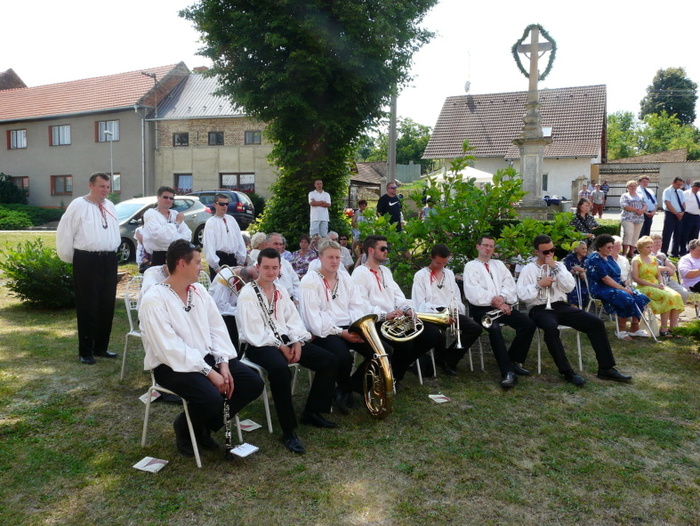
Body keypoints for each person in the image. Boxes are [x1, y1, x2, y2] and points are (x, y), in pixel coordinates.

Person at [139, 240, 264, 458]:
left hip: (206, 358)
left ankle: (203, 425)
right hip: (171, 366)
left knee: (252, 383)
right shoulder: (154, 300)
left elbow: (217, 329)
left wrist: (223, 363)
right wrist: (210, 373)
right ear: (182, 264)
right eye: (197, 262)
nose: (201, 267)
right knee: (211, 397)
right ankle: (185, 428)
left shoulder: (198, 291)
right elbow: (170, 348)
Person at [237, 248, 339, 454]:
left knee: (329, 360)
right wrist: (281, 346)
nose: (270, 272)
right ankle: (289, 430)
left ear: (280, 268)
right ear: (258, 267)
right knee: (280, 370)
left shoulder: (281, 290)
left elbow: (293, 320)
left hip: (285, 339)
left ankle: (312, 412)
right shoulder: (248, 294)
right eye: (266, 267)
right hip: (259, 344)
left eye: (274, 268)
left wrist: (298, 342)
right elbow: (254, 332)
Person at [516, 235, 632, 385]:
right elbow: (522, 295)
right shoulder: (528, 269)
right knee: (550, 328)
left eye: (552, 250)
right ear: (536, 252)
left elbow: (569, 287)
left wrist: (555, 268)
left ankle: (606, 368)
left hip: (560, 305)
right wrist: (538, 285)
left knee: (596, 323)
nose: (549, 254)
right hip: (539, 308)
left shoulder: (559, 266)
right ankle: (567, 372)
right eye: (545, 252)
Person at [351, 235, 441, 385]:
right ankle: (394, 376)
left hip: (393, 319)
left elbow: (398, 296)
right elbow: (361, 304)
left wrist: (407, 309)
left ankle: (393, 371)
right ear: (371, 250)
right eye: (383, 248)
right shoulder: (360, 273)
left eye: (387, 248)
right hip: (374, 321)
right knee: (406, 343)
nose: (386, 251)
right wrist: (385, 315)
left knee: (433, 334)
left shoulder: (385, 271)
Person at [56, 172, 120, 365]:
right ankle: (85, 351)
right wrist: (72, 258)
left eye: (107, 187)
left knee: (106, 304)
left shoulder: (110, 206)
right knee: (88, 305)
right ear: (91, 185)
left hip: (109, 259)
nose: (105, 190)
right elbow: (66, 233)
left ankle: (101, 347)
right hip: (87, 260)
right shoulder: (78, 205)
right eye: (101, 186)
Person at [299, 240, 370, 414]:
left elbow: (356, 305)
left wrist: (356, 328)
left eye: (338, 257)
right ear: (320, 257)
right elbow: (314, 320)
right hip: (323, 332)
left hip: (348, 326)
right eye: (330, 257)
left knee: (382, 351)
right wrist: (341, 332)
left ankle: (349, 387)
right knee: (344, 357)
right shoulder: (310, 281)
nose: (335, 261)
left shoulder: (345, 277)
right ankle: (345, 390)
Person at [463, 236, 536, 388]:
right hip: (482, 308)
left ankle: (512, 360)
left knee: (528, 324)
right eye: (485, 245)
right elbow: (473, 291)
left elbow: (509, 284)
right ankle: (507, 371)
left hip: (503, 306)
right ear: (478, 246)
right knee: (494, 329)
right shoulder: (470, 266)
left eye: (491, 246)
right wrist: (494, 300)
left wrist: (502, 299)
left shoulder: (499, 265)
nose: (488, 249)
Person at [412, 244, 483, 377]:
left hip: (450, 311)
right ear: (431, 258)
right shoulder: (421, 275)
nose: (441, 266)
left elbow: (455, 296)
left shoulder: (449, 273)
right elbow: (419, 302)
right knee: (438, 333)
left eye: (444, 263)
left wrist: (455, 311)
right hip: (431, 313)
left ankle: (447, 358)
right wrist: (440, 316)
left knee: (475, 328)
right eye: (438, 263)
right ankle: (443, 360)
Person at [586, 234, 650, 340]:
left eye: (612, 247)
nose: (611, 249)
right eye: (608, 247)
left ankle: (634, 327)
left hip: (616, 286)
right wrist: (622, 288)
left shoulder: (609, 257)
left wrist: (625, 285)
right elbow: (605, 279)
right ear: (600, 247)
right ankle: (621, 330)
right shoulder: (594, 259)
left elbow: (617, 275)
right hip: (601, 288)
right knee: (625, 298)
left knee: (640, 297)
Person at [632, 236, 684, 337]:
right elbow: (636, 278)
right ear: (640, 248)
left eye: (651, 247)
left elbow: (658, 275)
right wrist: (654, 285)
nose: (650, 249)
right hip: (643, 286)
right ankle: (663, 329)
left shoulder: (654, 259)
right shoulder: (636, 260)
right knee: (667, 296)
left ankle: (673, 328)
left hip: (656, 285)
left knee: (677, 296)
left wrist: (661, 283)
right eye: (647, 247)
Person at [209, 265, 259, 348]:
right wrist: (243, 311)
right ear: (243, 279)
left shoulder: (241, 271)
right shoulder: (224, 279)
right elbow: (221, 306)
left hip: (232, 308)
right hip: (218, 314)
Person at [142, 186, 192, 266]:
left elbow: (188, 235)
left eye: (171, 198)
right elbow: (161, 237)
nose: (168, 200)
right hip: (159, 257)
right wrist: (177, 223)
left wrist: (170, 236)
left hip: (177, 255)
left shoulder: (175, 214)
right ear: (158, 197)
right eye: (165, 197)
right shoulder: (151, 214)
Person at [203, 192, 247, 281]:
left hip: (233, 259)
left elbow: (239, 240)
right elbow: (209, 245)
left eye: (227, 204)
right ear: (215, 205)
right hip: (220, 260)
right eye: (222, 204)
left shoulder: (232, 220)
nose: (225, 206)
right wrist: (216, 267)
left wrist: (241, 261)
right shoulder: (211, 222)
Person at [651, 233, 689, 303]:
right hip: (655, 281)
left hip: (667, 280)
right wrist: (666, 268)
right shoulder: (648, 255)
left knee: (684, 293)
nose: (658, 244)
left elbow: (673, 267)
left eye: (660, 242)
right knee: (670, 295)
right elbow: (650, 267)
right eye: (655, 242)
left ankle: (677, 308)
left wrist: (670, 268)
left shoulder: (662, 255)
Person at [267, 233, 301, 303]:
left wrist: (296, 299)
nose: (278, 247)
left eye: (280, 244)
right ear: (267, 244)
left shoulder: (286, 263)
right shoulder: (260, 264)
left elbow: (295, 282)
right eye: (275, 244)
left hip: (289, 301)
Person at [619, 180, 647, 258]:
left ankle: (631, 253)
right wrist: (636, 210)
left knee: (635, 235)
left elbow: (645, 205)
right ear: (627, 187)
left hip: (639, 218)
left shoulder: (640, 195)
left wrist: (642, 210)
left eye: (634, 186)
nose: (633, 187)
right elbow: (624, 205)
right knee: (629, 234)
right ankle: (624, 253)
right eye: (631, 186)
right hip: (627, 218)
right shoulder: (625, 195)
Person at [661, 177, 687, 257]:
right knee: (667, 233)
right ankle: (664, 252)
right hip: (670, 214)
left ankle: (675, 252)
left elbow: (683, 203)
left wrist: (682, 212)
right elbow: (668, 204)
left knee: (678, 233)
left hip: (680, 214)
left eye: (681, 185)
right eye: (678, 184)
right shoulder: (667, 191)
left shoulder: (680, 192)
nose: (679, 186)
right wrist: (676, 213)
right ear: (673, 183)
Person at [563, 241, 590, 309]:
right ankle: (574, 310)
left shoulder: (587, 260)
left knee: (585, 293)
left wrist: (582, 272)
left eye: (586, 249)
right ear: (576, 249)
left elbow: (589, 272)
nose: (585, 250)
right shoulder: (569, 258)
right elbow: (565, 273)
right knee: (572, 292)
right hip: (571, 283)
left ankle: (583, 310)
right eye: (583, 248)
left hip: (584, 284)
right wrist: (574, 270)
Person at [681, 181, 700, 255]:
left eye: (698, 189)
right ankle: (682, 250)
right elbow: (682, 204)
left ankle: (692, 250)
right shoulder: (685, 194)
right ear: (692, 187)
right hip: (687, 215)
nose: (696, 190)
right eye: (695, 189)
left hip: (697, 216)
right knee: (685, 234)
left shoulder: (699, 194)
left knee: (695, 235)